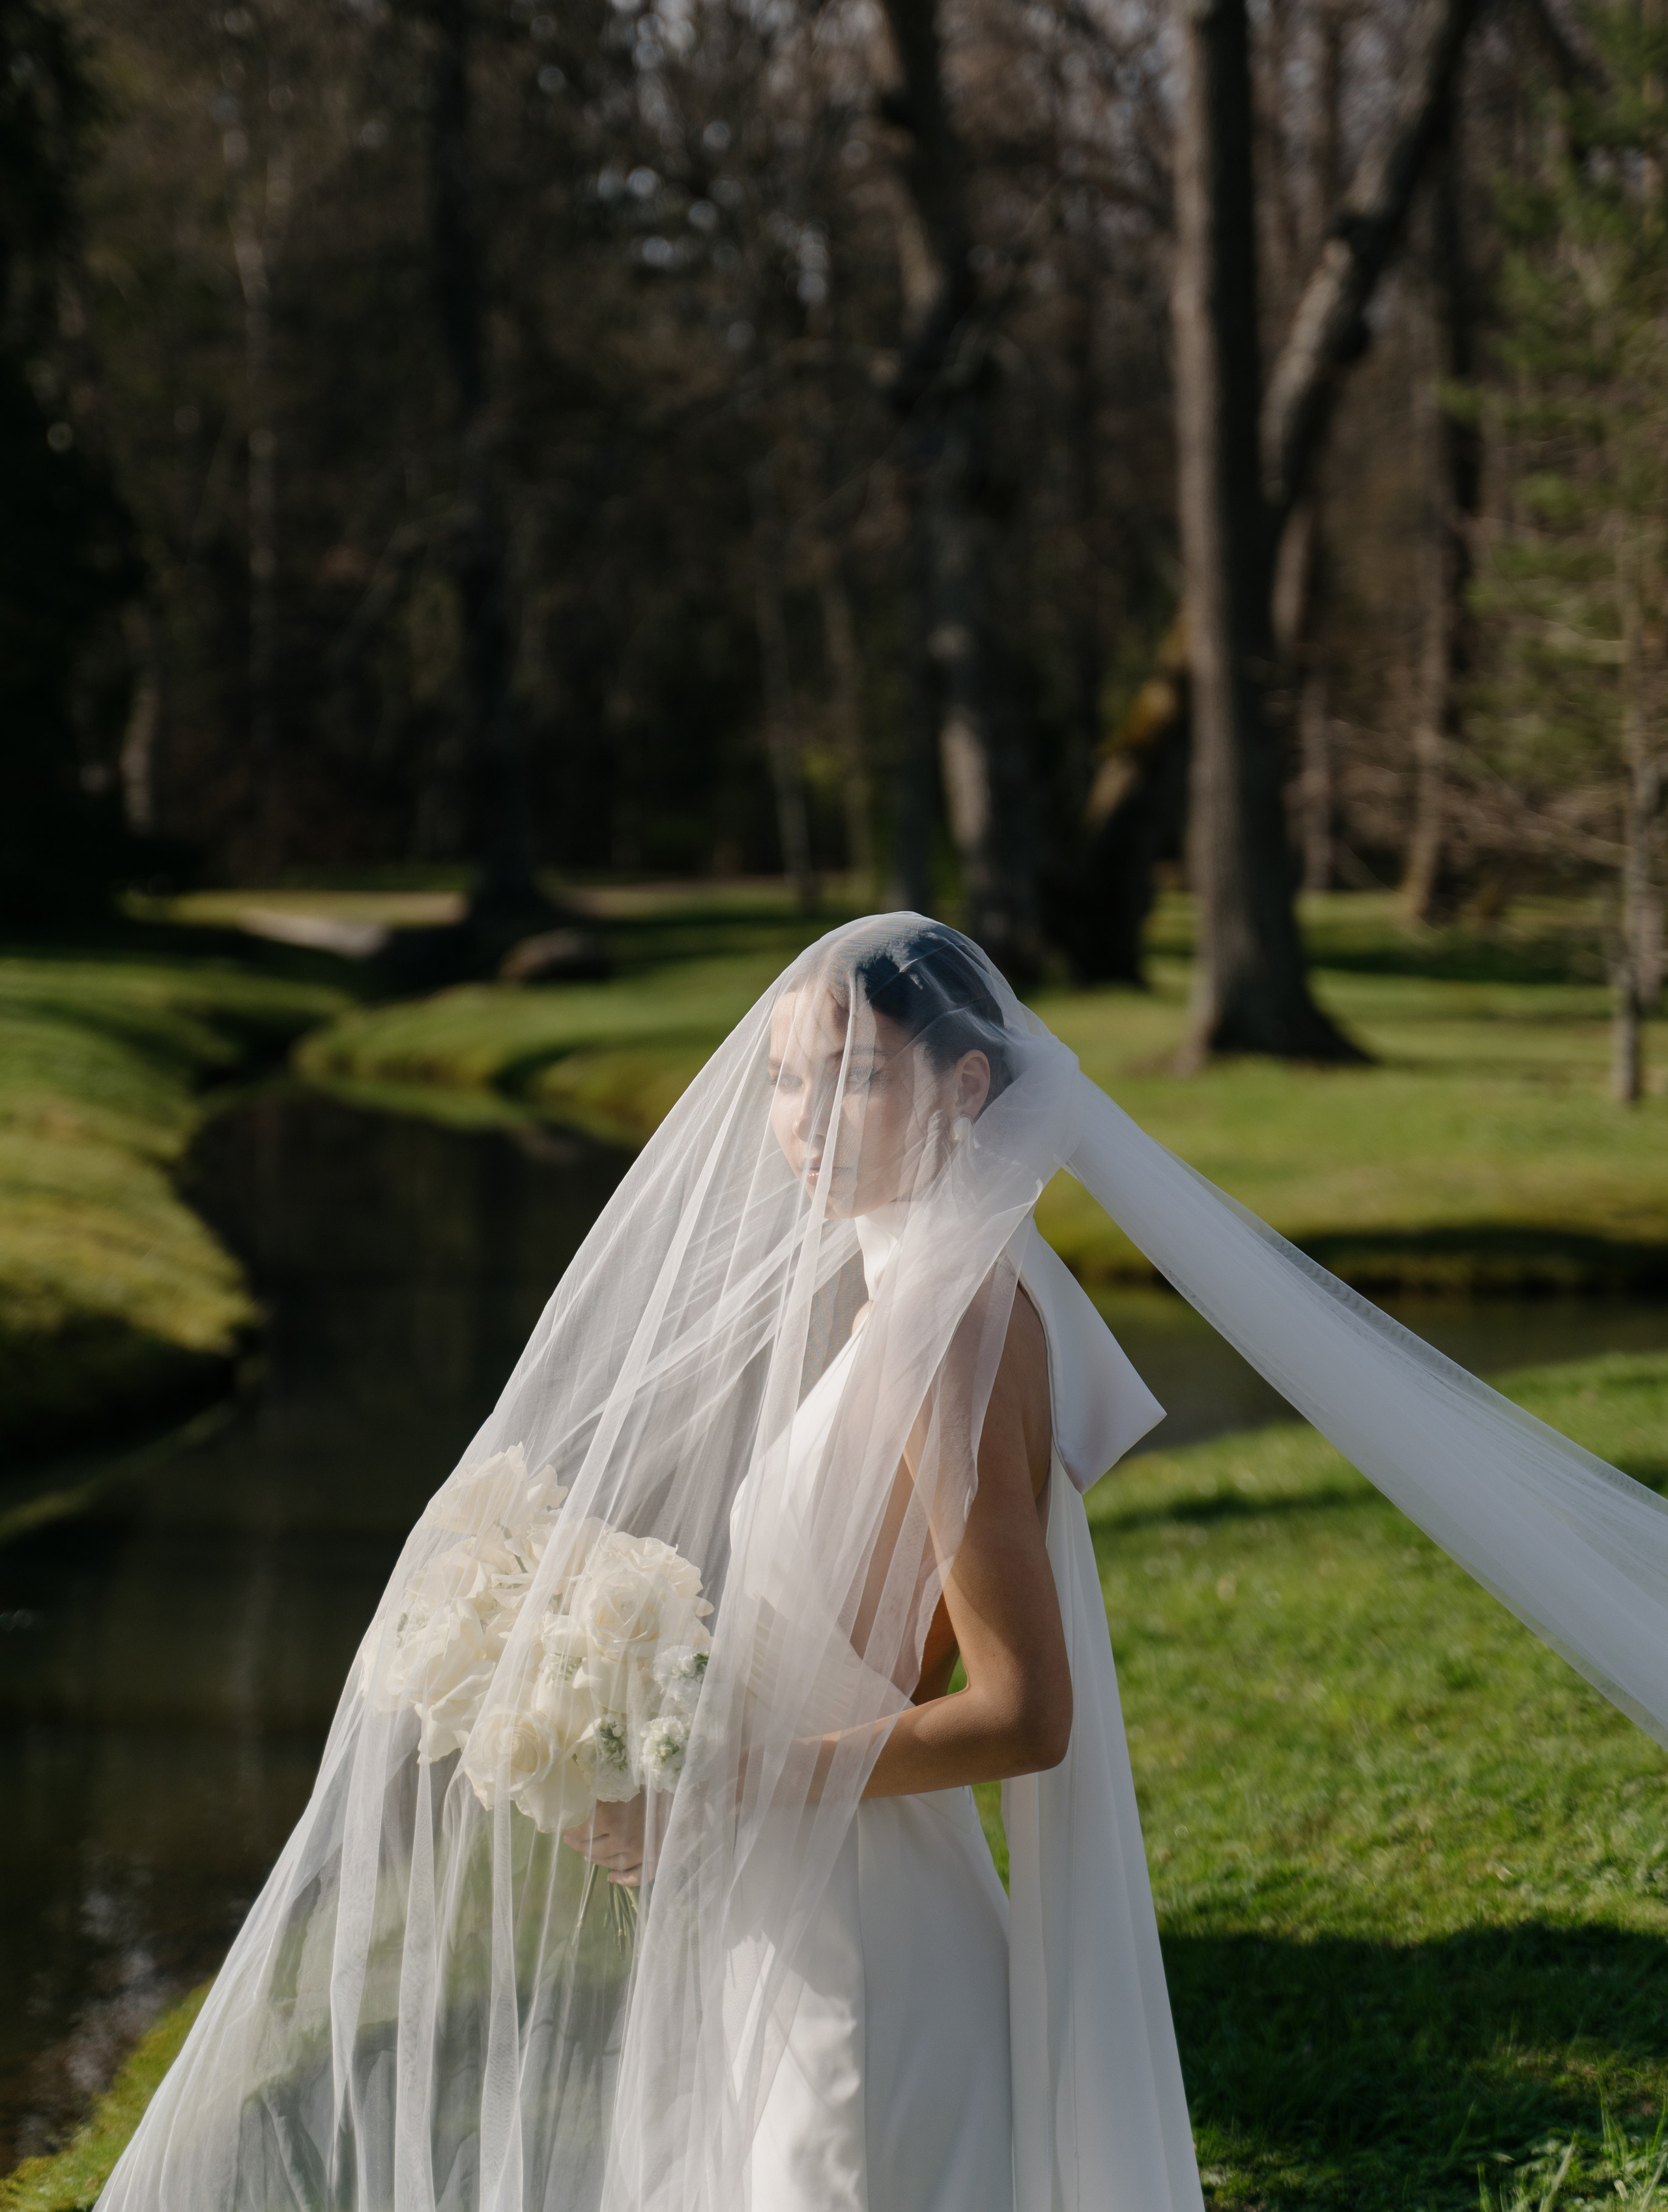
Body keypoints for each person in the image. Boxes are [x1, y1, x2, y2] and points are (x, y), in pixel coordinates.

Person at [99, 916, 1668, 2212]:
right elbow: (886, 1643)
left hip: (856, 1952)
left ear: (965, 1087)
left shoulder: (949, 1330)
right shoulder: (918, 1302)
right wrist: (643, 1723)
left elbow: (1020, 1711)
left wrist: (723, 1784)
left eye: (846, 1080)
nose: (795, 1126)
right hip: (803, 1908)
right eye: (785, 1083)